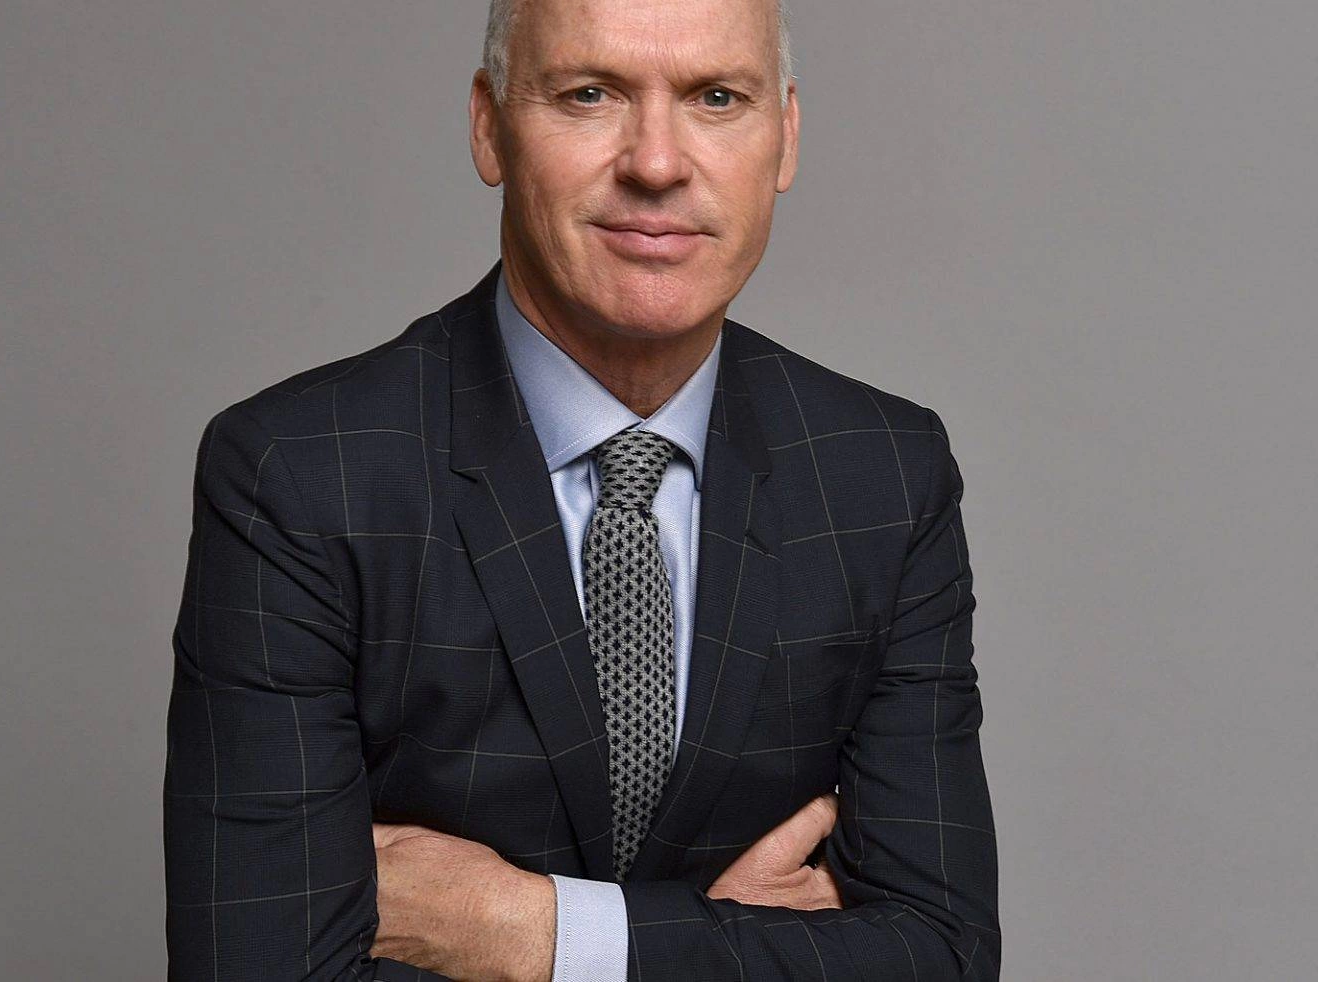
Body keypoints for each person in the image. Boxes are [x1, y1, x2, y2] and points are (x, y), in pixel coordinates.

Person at [162, 0, 1000, 978]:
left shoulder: (883, 475)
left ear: (785, 135)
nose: (657, 162)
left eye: (717, 98)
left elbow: (943, 957)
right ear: (490, 126)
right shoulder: (300, 478)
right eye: (590, 94)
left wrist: (534, 931)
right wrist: (739, 946)